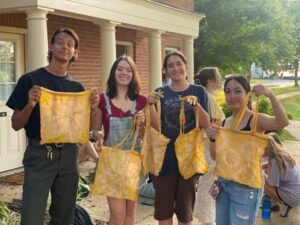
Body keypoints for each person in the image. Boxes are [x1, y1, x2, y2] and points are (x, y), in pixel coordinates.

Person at [5, 28, 100, 225]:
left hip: (68, 156)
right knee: (32, 217)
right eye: (60, 42)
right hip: (40, 155)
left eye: (70, 44)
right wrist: (30, 104)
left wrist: (92, 109)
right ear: (51, 46)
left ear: (75, 53)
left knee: (64, 217)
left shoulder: (77, 88)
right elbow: (15, 124)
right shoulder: (30, 80)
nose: (65, 46)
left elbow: (84, 130)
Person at [207, 74, 289, 225]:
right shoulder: (224, 123)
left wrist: (270, 95)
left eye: (238, 91)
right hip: (223, 185)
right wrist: (212, 138)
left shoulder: (255, 120)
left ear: (247, 94)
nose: (232, 96)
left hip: (245, 188)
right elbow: (215, 157)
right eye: (228, 91)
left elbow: (282, 122)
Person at [147, 51, 210, 225]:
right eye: (170, 66)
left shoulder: (198, 91)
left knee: (185, 215)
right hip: (164, 161)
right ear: (166, 71)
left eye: (178, 64)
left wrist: (196, 104)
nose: (175, 68)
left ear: (186, 66)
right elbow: (156, 127)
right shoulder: (160, 92)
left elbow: (206, 124)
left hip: (189, 162)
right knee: (164, 214)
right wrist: (150, 105)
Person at [92, 55, 146, 225]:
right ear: (113, 72)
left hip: (133, 162)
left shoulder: (142, 101)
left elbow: (144, 136)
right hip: (112, 164)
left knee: (130, 214)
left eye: (129, 70)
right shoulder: (102, 99)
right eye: (120, 69)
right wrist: (98, 136)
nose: (124, 73)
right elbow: (95, 130)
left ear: (133, 74)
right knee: (118, 216)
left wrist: (143, 122)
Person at [193, 67, 225, 225]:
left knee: (208, 182)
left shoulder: (206, 96)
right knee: (211, 183)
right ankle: (207, 219)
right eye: (219, 77)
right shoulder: (208, 98)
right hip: (210, 147)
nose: (221, 80)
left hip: (207, 147)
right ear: (210, 81)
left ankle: (204, 214)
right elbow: (214, 126)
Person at [263, 132, 300, 217]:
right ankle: (282, 203)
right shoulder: (281, 155)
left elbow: (271, 184)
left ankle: (282, 204)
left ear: (266, 149)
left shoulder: (275, 162)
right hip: (297, 191)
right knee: (267, 174)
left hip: (294, 196)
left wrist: (263, 172)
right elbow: (268, 165)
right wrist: (262, 167)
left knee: (261, 180)